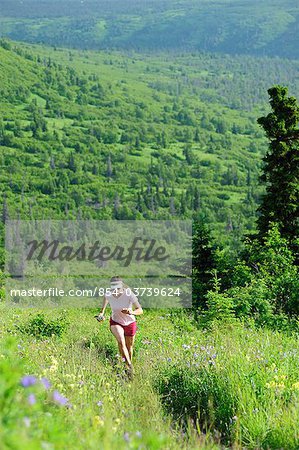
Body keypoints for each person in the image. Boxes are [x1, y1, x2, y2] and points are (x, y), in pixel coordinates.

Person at [96, 277, 143, 374]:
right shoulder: (108, 294)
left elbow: (140, 310)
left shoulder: (129, 294)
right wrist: (101, 316)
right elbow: (102, 311)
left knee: (129, 347)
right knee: (121, 342)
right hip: (116, 322)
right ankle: (130, 366)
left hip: (130, 322)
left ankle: (126, 369)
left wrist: (131, 312)